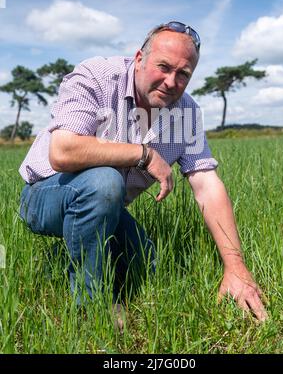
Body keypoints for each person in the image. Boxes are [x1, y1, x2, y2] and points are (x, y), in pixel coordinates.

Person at [19, 21, 268, 329]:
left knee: (147, 263)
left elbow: (206, 184)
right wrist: (144, 154)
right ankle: (91, 308)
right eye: (162, 67)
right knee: (105, 180)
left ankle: (83, 258)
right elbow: (63, 151)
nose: (170, 81)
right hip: (45, 194)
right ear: (139, 59)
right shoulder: (97, 76)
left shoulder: (186, 114)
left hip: (106, 206)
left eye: (183, 74)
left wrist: (236, 267)